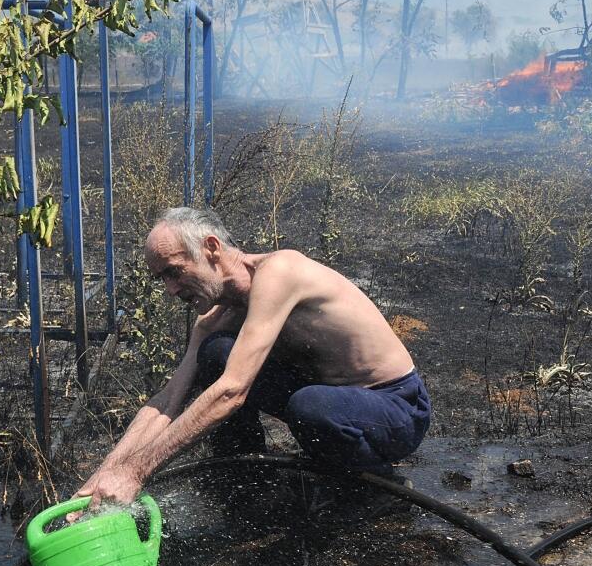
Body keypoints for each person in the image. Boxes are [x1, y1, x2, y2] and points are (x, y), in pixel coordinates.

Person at [72, 207, 431, 510]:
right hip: (332, 399)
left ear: (211, 248)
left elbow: (232, 392)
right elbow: (167, 400)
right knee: (215, 354)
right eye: (161, 278)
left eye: (174, 271)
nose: (171, 290)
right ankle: (247, 484)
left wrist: (136, 473)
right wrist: (107, 472)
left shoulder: (280, 273)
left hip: (396, 406)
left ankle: (374, 487)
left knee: (310, 404)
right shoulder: (214, 318)